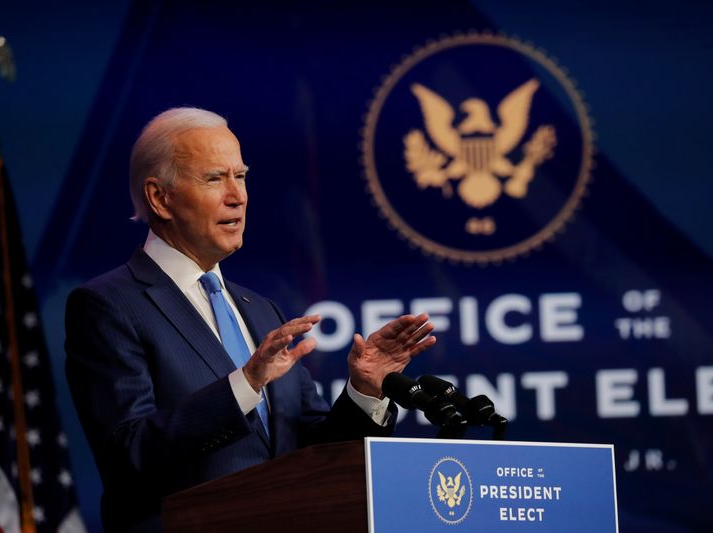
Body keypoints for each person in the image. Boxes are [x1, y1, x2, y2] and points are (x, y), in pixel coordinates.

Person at [65, 107, 435, 531]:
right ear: (159, 197)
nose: (237, 195)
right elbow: (127, 453)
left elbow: (310, 450)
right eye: (214, 178)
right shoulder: (108, 305)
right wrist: (244, 385)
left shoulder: (260, 310)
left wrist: (365, 392)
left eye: (240, 176)